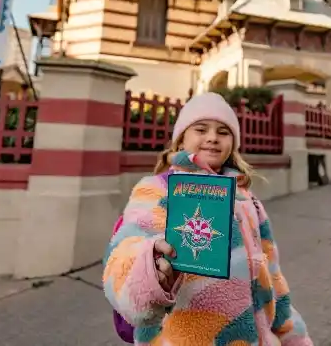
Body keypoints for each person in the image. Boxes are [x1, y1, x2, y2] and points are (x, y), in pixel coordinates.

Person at [103, 92, 313, 345]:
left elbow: (273, 277)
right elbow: (123, 253)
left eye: (223, 132)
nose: (212, 138)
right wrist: (150, 269)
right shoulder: (157, 190)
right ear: (181, 140)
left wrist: (292, 336)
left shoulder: (246, 200)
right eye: (201, 129)